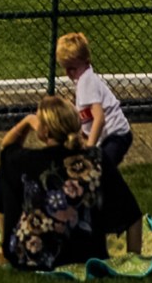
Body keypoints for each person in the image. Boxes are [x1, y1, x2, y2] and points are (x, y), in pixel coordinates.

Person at [0, 96, 105, 272]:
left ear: (45, 131)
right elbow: (131, 214)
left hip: (37, 257)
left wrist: (26, 121)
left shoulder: (23, 161)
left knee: (4, 171)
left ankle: (4, 243)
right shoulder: (96, 161)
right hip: (88, 252)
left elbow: (6, 147)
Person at [57, 31, 143, 254]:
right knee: (99, 179)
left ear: (85, 62)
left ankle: (109, 218)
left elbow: (99, 117)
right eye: (65, 68)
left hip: (116, 135)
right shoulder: (82, 80)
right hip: (108, 138)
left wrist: (91, 148)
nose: (68, 73)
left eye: (72, 68)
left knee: (100, 174)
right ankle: (104, 218)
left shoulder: (87, 81)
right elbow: (88, 121)